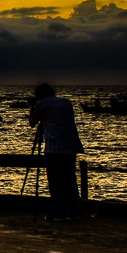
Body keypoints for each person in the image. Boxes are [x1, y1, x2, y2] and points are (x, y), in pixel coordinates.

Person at [29, 83, 85, 221]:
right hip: (71, 145)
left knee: (55, 180)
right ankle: (74, 212)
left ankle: (59, 213)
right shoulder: (66, 102)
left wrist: (33, 107)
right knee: (70, 179)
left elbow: (32, 122)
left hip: (54, 146)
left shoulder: (42, 104)